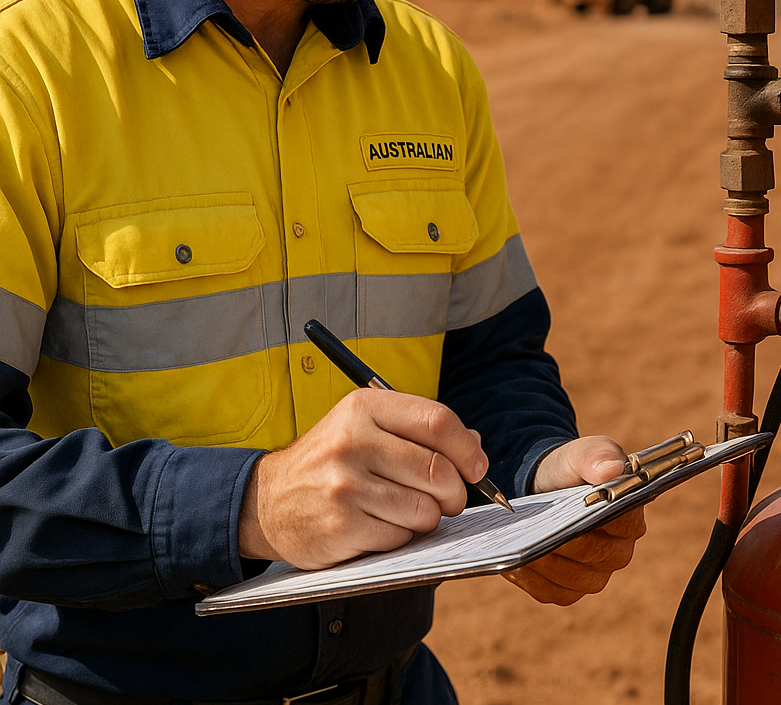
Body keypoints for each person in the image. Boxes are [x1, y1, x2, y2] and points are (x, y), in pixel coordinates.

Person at [0, 0, 647, 702]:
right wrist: (253, 504)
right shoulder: (27, 67)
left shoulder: (431, 64)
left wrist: (534, 472)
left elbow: (490, 357)